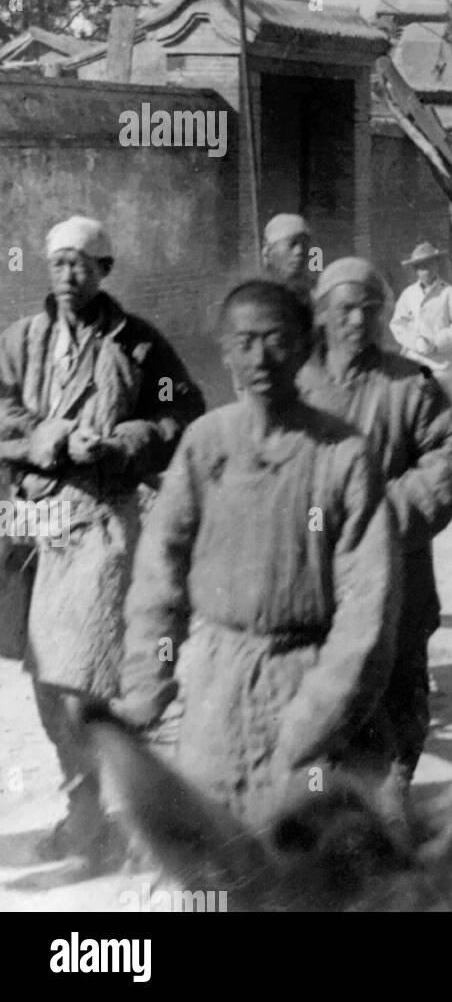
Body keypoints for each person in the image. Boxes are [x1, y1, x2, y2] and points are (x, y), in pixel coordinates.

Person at [117, 280, 398, 829]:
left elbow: (369, 607)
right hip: (216, 692)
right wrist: (147, 685)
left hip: (307, 682)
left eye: (276, 340)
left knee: (305, 869)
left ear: (305, 346)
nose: (260, 357)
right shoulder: (206, 444)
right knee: (214, 858)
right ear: (224, 354)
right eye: (244, 342)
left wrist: (314, 718)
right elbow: (159, 578)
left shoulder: (343, 455)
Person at [0, 216, 204, 871]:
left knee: (77, 683)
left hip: (99, 523)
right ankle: (86, 810)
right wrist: (48, 436)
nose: (69, 275)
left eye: (83, 264)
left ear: (106, 270)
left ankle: (103, 822)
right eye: (59, 262)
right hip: (29, 526)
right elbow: (0, 409)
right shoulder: (21, 341)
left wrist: (126, 442)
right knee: (42, 681)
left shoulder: (139, 345)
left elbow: (184, 412)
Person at [299, 258, 452, 803]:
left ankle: (393, 794)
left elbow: (446, 454)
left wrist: (378, 515)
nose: (356, 320)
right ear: (322, 314)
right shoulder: (293, 385)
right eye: (344, 308)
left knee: (398, 691)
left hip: (396, 570)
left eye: (369, 310)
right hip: (314, 576)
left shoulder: (409, 385)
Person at [390, 242, 452, 400]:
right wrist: (415, 341)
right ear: (415, 270)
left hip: (444, 364)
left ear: (436, 266)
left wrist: (438, 341)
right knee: (417, 406)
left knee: (442, 408)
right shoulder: (409, 294)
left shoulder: (449, 292)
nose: (426, 271)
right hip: (417, 361)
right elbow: (398, 323)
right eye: (421, 267)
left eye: (429, 265)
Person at [262, 213, 315, 304]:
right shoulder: (259, 298)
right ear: (271, 252)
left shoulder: (317, 295)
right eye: (292, 244)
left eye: (304, 244)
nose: (299, 251)